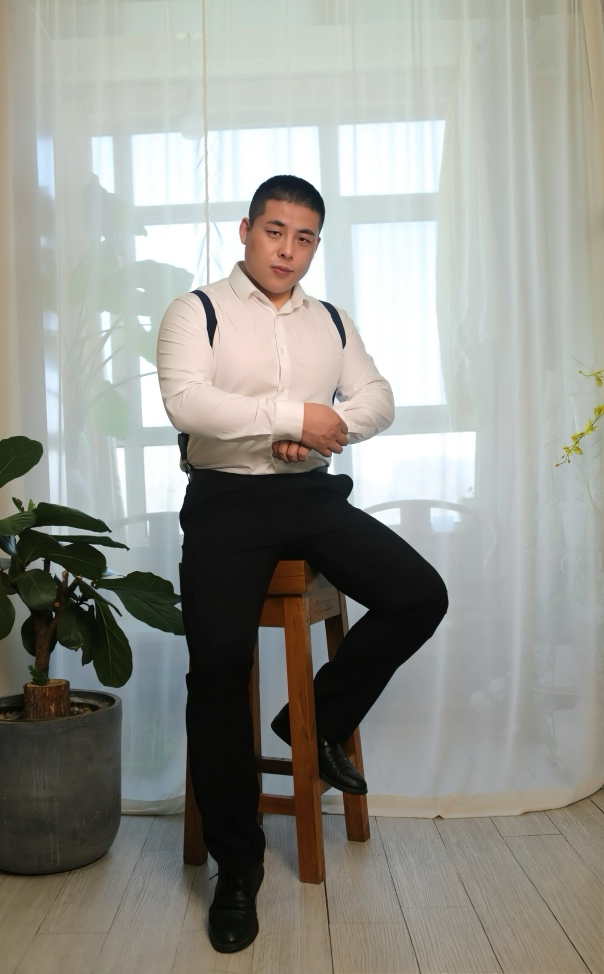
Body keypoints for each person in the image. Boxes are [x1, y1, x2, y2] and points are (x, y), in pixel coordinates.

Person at [157, 174, 448, 954]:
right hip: (225, 500)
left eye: (305, 237)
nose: (288, 250)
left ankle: (312, 719)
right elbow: (188, 403)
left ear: (316, 243)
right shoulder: (196, 310)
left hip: (310, 497)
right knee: (218, 669)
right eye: (275, 231)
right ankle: (238, 867)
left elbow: (378, 397)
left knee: (419, 596)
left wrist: (327, 427)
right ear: (246, 229)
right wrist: (289, 417)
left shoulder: (332, 321)